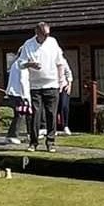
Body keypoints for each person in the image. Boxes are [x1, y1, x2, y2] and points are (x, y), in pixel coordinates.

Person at [15, 22, 67, 152]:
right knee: (35, 115)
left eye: (47, 34)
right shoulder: (28, 44)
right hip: (35, 85)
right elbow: (20, 64)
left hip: (51, 84)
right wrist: (29, 64)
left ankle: (50, 142)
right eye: (43, 34)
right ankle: (33, 142)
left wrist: (61, 81)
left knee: (51, 114)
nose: (46, 37)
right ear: (37, 32)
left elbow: (60, 63)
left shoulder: (53, 42)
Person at [5, 46, 31, 145]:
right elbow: (23, 81)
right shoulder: (21, 65)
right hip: (18, 93)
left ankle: (30, 134)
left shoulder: (15, 64)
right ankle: (12, 135)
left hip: (15, 92)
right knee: (19, 114)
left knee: (27, 114)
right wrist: (26, 97)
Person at [57, 57, 73, 135]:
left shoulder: (63, 61)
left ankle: (65, 126)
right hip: (53, 86)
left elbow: (68, 72)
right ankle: (54, 127)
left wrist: (69, 85)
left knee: (64, 106)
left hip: (63, 86)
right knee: (54, 107)